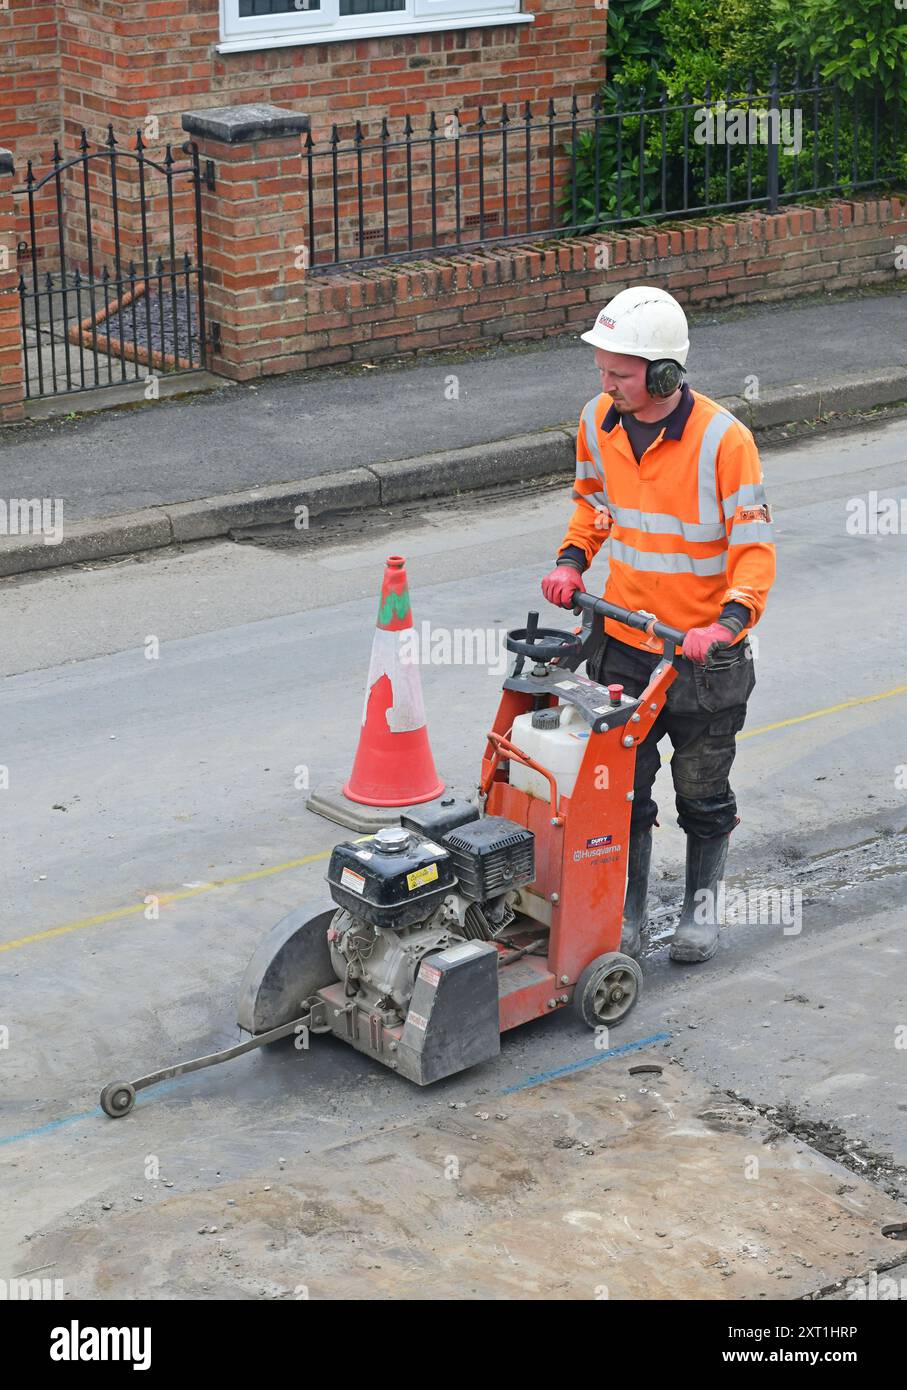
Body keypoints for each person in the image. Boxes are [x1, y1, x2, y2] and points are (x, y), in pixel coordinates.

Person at [541, 286, 776, 963]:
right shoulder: (597, 420)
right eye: (601, 370)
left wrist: (728, 622)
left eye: (618, 373)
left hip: (702, 660)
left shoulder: (724, 441)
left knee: (701, 795)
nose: (605, 383)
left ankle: (699, 915)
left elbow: (753, 548)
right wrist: (570, 562)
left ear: (665, 373)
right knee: (620, 797)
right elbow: (592, 505)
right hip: (624, 648)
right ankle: (626, 916)